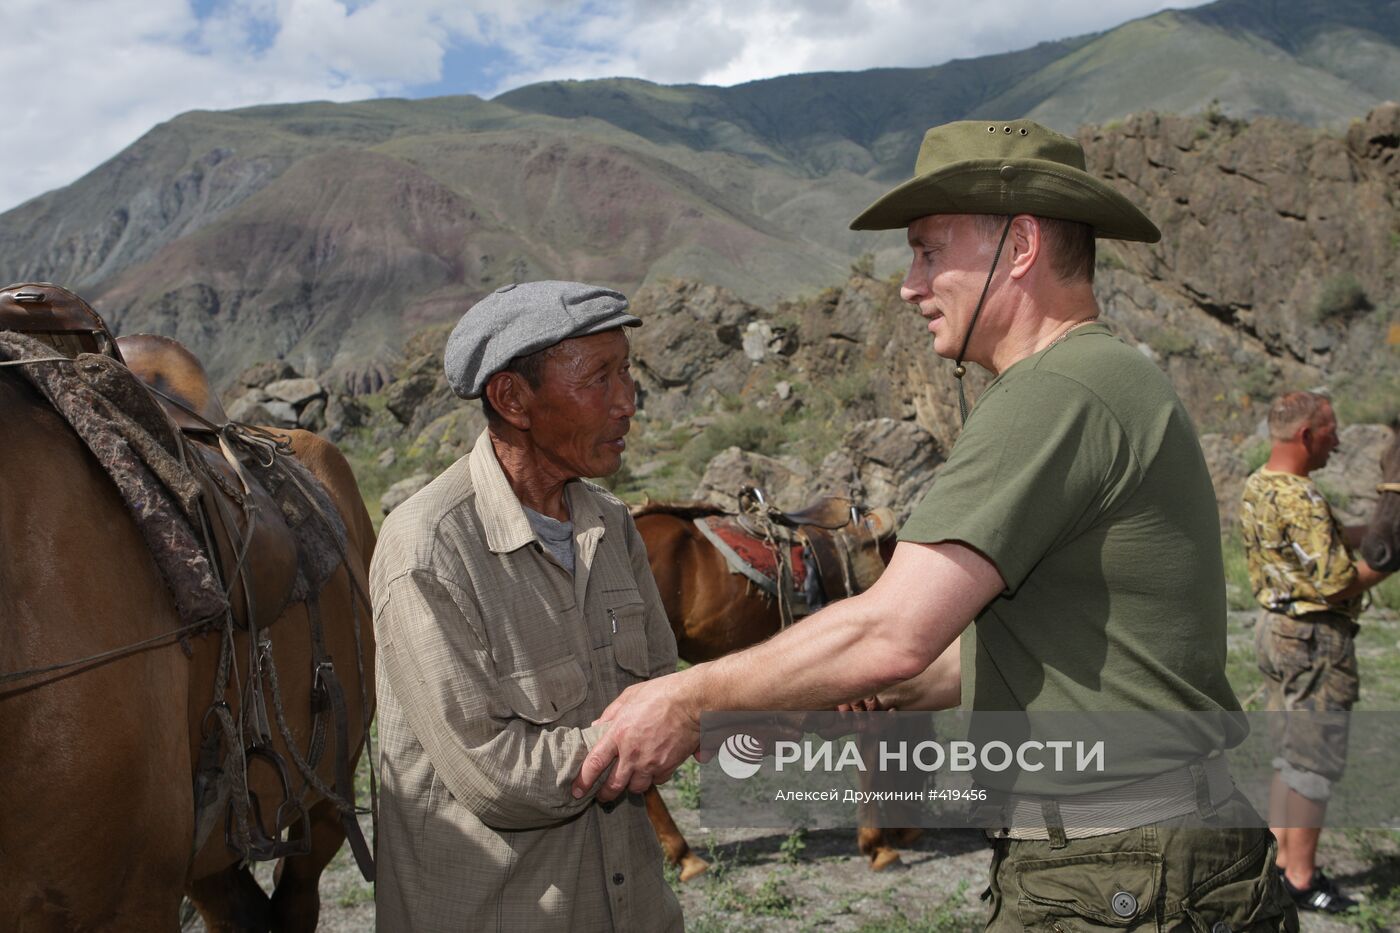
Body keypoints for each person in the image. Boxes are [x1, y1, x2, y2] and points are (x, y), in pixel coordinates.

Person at [571, 119, 1296, 931]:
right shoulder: (1107, 378)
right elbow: (1020, 648)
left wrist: (689, 695)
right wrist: (820, 696)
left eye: (927, 252)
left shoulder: (1051, 393)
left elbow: (893, 630)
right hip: (1148, 854)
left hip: (1119, 871)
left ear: (1019, 246)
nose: (911, 287)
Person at [370, 281, 683, 932]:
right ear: (512, 398)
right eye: (600, 377)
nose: (628, 402)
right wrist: (653, 732)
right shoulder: (428, 548)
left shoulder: (612, 525)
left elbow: (662, 684)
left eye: (627, 371)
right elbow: (492, 773)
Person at [1240, 390, 1392, 913]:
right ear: (1307, 435)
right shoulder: (1301, 497)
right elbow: (1335, 584)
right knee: (1313, 759)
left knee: (1290, 751)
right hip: (1314, 639)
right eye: (1331, 429)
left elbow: (1313, 543)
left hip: (1276, 631)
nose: (1340, 439)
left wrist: (1375, 534)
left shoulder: (1262, 484)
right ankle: (1301, 879)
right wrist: (1388, 562)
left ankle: (1282, 860)